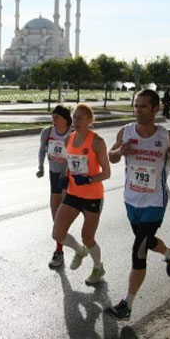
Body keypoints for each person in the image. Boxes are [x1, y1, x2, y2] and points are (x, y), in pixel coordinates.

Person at [105, 90, 170, 320]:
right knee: (148, 242)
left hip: (155, 201)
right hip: (131, 200)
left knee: (138, 249)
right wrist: (120, 151)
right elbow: (111, 156)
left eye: (143, 107)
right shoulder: (126, 131)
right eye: (136, 106)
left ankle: (127, 305)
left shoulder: (166, 136)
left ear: (155, 109)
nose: (138, 111)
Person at [51, 103, 111, 285]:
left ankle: (98, 267)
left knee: (88, 237)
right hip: (73, 194)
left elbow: (107, 173)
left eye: (80, 118)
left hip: (92, 196)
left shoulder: (97, 141)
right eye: (74, 117)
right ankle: (79, 250)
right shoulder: (69, 139)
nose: (75, 121)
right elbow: (71, 163)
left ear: (89, 120)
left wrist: (89, 179)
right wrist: (65, 176)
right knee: (57, 233)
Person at [37, 105, 73, 268]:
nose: (54, 120)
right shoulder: (47, 132)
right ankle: (60, 250)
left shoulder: (72, 134)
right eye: (53, 117)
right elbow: (41, 151)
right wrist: (41, 167)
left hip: (68, 177)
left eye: (57, 117)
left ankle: (82, 246)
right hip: (53, 176)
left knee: (63, 217)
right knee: (56, 218)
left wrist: (68, 174)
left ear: (65, 119)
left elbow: (77, 157)